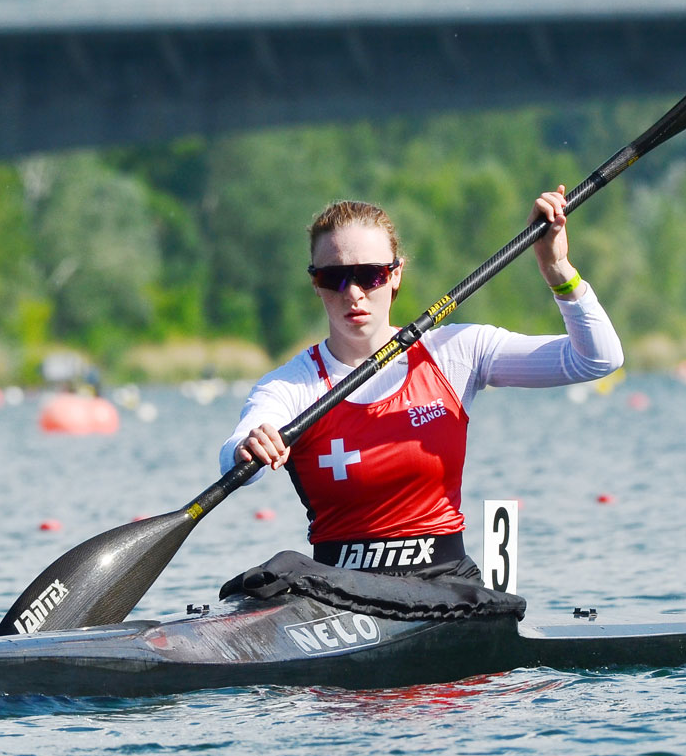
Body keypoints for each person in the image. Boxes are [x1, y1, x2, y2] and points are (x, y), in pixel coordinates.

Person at [220, 186, 624, 572]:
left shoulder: (456, 352)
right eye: (335, 278)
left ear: (396, 275)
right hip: (336, 591)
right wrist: (249, 447)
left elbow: (598, 359)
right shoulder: (292, 386)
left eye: (370, 275)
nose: (353, 293)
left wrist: (557, 269)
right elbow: (237, 460)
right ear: (316, 283)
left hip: (443, 587)